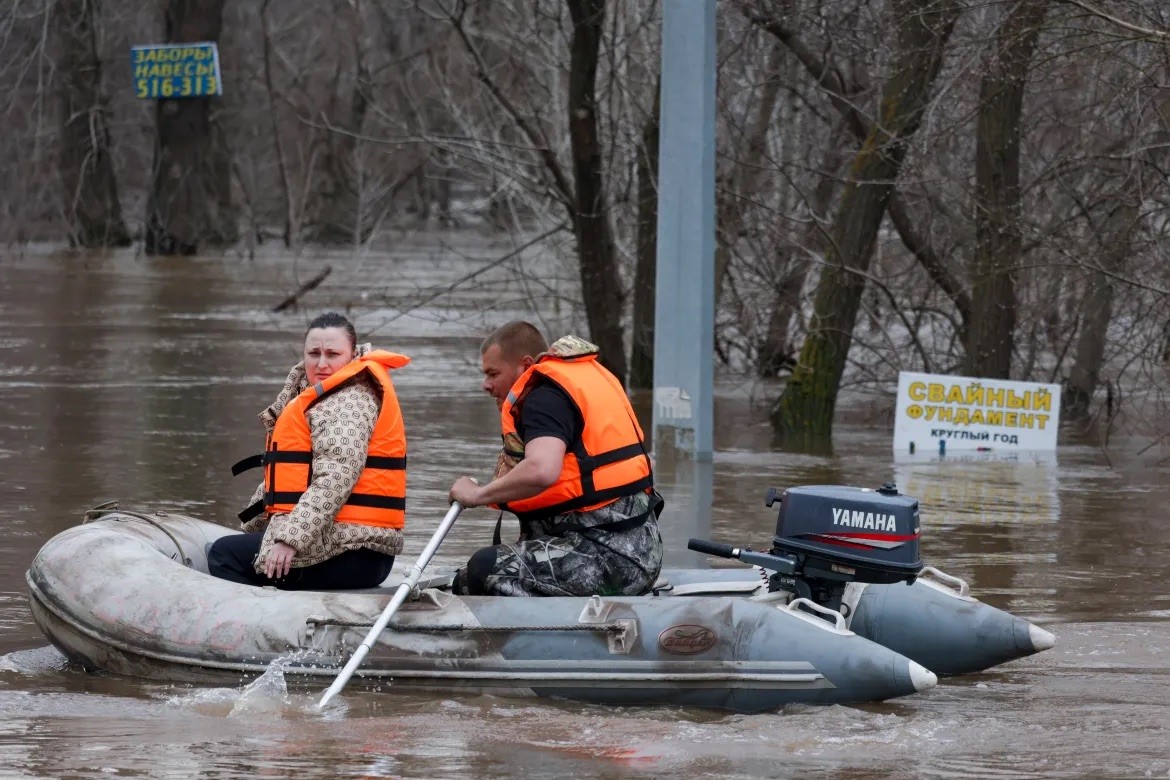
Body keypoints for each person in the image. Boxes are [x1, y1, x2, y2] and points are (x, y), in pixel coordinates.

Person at [448, 321, 664, 597]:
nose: (486, 385)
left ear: (525, 366)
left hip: (610, 559)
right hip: (642, 551)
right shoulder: (579, 384)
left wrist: (477, 495)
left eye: (493, 374)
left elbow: (542, 470)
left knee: (481, 570)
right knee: (489, 565)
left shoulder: (544, 400)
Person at [208, 312, 410, 590]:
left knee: (224, 555)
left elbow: (335, 479)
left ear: (352, 355)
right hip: (339, 541)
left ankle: (261, 626)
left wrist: (290, 539)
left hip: (354, 552)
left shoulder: (349, 404)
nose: (322, 363)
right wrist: (255, 528)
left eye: (332, 354)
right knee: (237, 545)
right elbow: (291, 477)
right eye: (314, 353)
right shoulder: (324, 396)